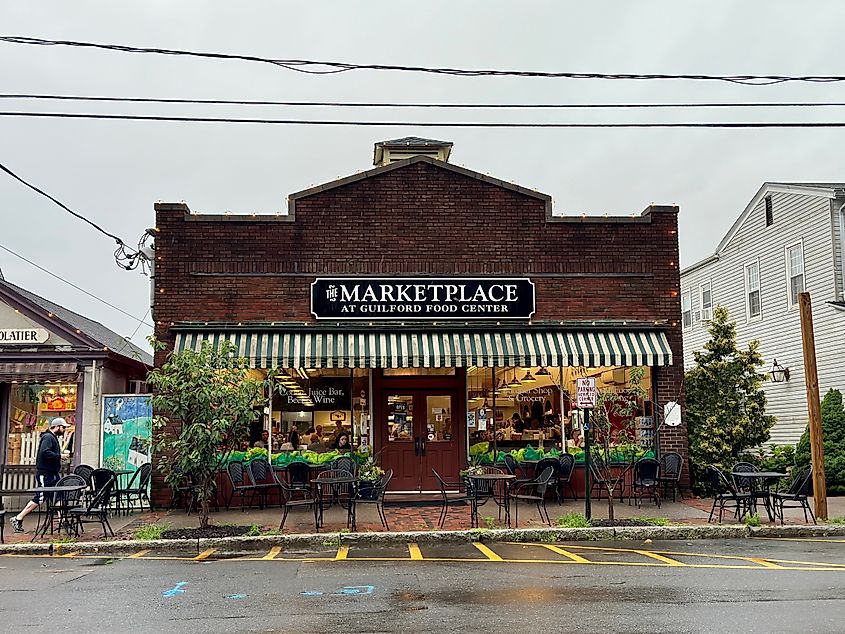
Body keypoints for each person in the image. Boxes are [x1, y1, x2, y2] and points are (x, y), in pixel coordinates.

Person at [11, 417, 69, 533]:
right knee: (40, 497)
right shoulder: (48, 437)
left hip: (52, 473)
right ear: (57, 427)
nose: (64, 430)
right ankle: (18, 518)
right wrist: (60, 456)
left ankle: (62, 520)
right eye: (63, 427)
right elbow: (44, 452)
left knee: (59, 495)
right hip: (45, 473)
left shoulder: (52, 438)